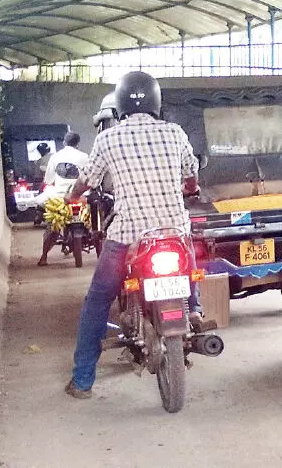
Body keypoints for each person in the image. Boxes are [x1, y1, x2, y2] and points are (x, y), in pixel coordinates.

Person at [62, 71, 202, 399]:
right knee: (187, 243)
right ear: (156, 102)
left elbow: (88, 180)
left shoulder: (108, 139)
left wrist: (73, 195)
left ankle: (82, 381)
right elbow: (191, 174)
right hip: (172, 231)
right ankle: (194, 306)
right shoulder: (175, 133)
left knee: (97, 299)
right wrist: (190, 187)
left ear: (120, 104)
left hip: (129, 235)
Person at [36, 132, 89, 266]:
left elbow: (48, 179)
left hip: (60, 197)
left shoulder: (55, 157)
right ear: (78, 144)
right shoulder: (84, 157)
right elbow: (89, 176)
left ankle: (44, 257)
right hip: (81, 196)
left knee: (52, 226)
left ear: (64, 143)